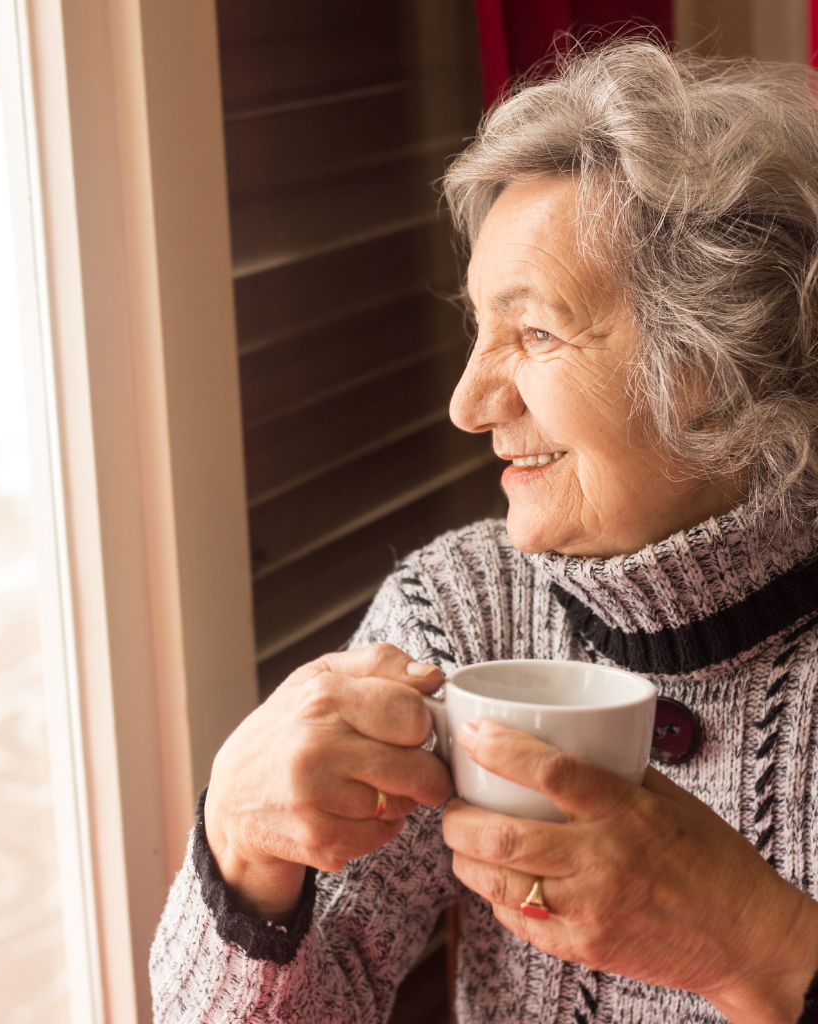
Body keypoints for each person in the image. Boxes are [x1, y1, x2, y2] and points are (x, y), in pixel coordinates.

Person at [151, 39, 818, 1023]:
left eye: (535, 333)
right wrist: (244, 853)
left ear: (719, 365)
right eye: (478, 330)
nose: (467, 403)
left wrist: (768, 949)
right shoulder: (462, 611)